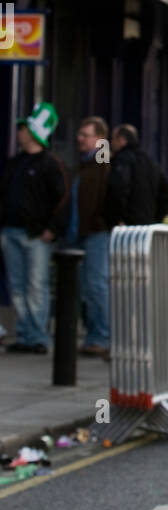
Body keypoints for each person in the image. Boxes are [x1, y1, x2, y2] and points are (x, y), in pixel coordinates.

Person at [0, 102, 68, 352]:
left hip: (37, 235)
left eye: (23, 128)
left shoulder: (50, 164)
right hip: (11, 232)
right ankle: (25, 335)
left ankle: (38, 336)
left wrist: (52, 229)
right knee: (17, 287)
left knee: (36, 286)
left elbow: (63, 198)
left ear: (33, 132)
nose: (18, 132)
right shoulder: (14, 163)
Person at [66, 116, 112, 356]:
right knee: (87, 286)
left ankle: (101, 337)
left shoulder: (102, 162)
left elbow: (109, 193)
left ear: (100, 139)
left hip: (96, 233)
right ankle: (95, 335)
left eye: (86, 135)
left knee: (96, 285)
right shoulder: (84, 165)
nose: (79, 139)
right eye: (80, 134)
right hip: (80, 233)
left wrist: (100, 221)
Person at [104, 125, 168, 228]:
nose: (111, 143)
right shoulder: (150, 161)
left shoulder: (123, 159)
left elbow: (118, 189)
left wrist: (115, 218)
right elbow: (167, 191)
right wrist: (156, 218)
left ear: (122, 140)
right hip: (147, 227)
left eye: (113, 139)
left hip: (127, 226)